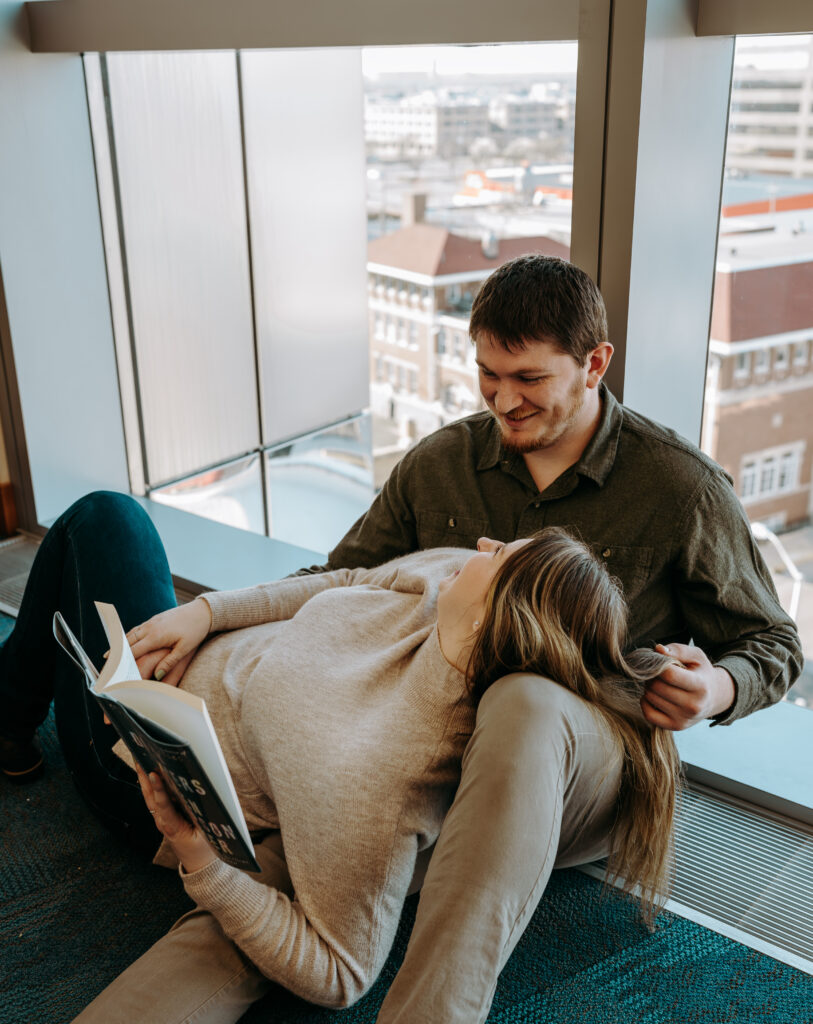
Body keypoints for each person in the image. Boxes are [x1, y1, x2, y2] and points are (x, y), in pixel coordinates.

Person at [1, 492, 678, 1021]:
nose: (483, 542)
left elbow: (339, 971)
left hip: (132, 751)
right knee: (113, 516)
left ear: (498, 613)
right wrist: (205, 614)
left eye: (501, 553)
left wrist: (203, 864)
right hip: (185, 653)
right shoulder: (445, 582)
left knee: (94, 521)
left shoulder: (377, 771)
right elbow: (346, 578)